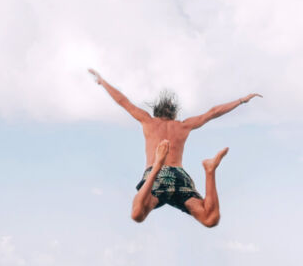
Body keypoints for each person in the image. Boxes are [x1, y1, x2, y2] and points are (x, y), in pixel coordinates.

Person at [88, 68, 260, 227]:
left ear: (156, 111)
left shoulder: (148, 121)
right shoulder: (184, 125)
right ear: (174, 113)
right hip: (180, 177)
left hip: (157, 177)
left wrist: (103, 82)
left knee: (137, 215)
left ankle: (157, 165)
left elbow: (122, 101)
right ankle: (210, 171)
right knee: (210, 219)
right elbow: (213, 112)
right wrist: (241, 100)